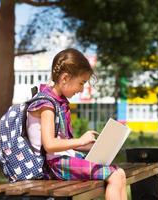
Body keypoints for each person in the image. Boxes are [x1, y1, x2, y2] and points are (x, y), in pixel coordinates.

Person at [26, 48, 127, 200]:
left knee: (120, 173)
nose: (81, 89)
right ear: (65, 78)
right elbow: (50, 145)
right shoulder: (46, 104)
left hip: (62, 159)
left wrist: (91, 146)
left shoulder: (58, 103)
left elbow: (63, 142)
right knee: (114, 175)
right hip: (53, 165)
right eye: (81, 83)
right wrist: (80, 140)